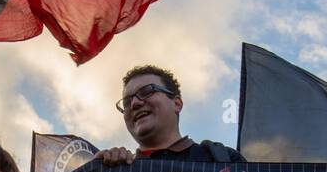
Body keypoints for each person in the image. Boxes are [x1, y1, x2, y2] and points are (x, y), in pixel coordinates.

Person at [94, 64, 245, 166]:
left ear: (177, 103)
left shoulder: (223, 159)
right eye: (127, 102)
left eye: (146, 91)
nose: (134, 104)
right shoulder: (117, 171)